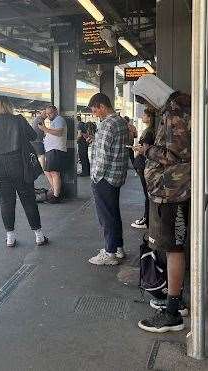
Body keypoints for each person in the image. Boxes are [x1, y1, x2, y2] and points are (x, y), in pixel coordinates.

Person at [132, 75, 191, 333]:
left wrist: (147, 150)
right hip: (173, 191)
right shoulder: (177, 108)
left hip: (174, 192)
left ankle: (173, 313)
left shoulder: (174, 113)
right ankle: (175, 302)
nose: (148, 107)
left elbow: (174, 155)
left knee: (173, 247)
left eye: (146, 100)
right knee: (172, 246)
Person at [0, 97, 48, 248]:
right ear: (9, 107)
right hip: (18, 164)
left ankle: (10, 238)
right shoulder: (18, 120)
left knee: (6, 200)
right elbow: (33, 136)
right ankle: (39, 236)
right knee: (28, 198)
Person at [87, 93, 129, 266]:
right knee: (113, 212)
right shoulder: (120, 122)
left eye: (95, 110)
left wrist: (95, 176)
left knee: (106, 215)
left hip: (104, 177)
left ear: (102, 106)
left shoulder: (107, 124)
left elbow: (103, 155)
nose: (95, 114)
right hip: (117, 175)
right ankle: (118, 247)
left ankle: (109, 252)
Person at [131, 109, 156, 229]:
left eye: (145, 115)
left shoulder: (149, 132)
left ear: (150, 117)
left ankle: (146, 219)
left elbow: (145, 150)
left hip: (143, 165)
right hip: (143, 165)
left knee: (147, 194)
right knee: (148, 194)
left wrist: (136, 149)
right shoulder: (151, 131)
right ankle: (147, 218)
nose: (142, 116)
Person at [38, 105, 67, 203]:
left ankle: (56, 196)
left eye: (50, 113)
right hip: (52, 150)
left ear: (56, 111)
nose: (48, 115)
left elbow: (59, 133)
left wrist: (44, 129)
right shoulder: (54, 121)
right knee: (48, 171)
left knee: (54, 173)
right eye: (47, 113)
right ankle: (55, 190)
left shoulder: (59, 119)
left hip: (56, 150)